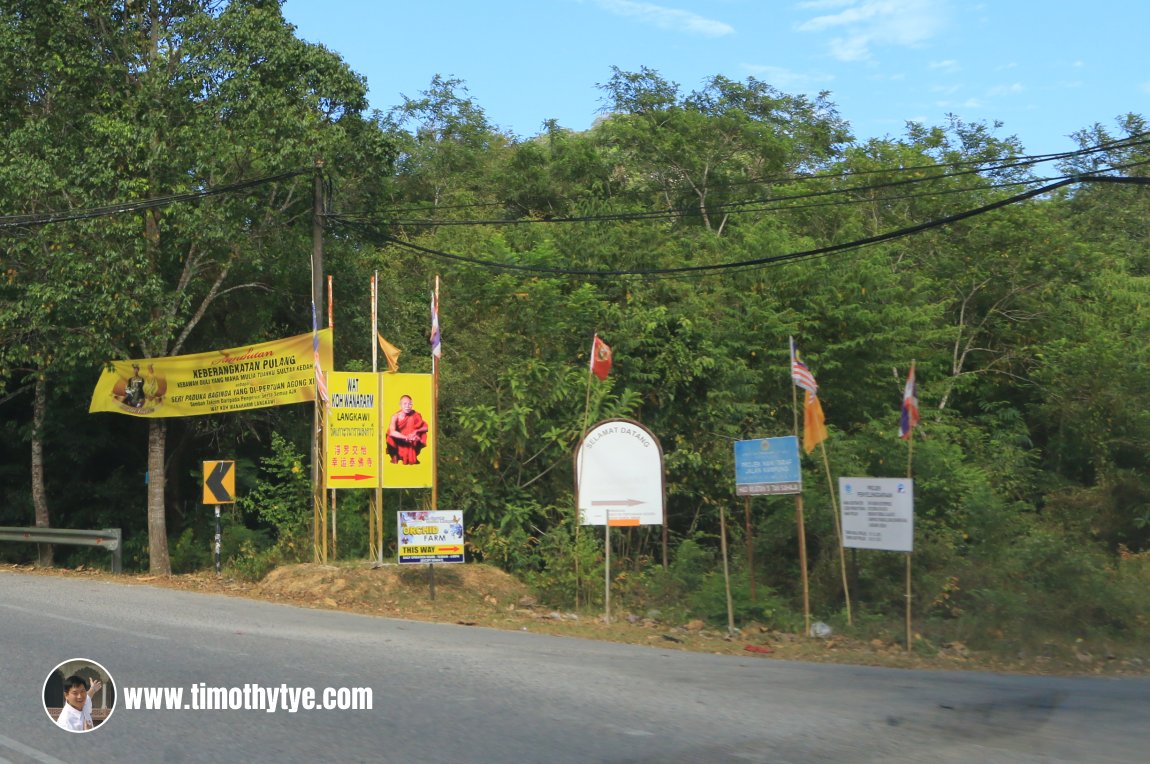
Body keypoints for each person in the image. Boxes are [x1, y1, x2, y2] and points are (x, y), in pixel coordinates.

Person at [386, 395, 428, 465]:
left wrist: (416, 431)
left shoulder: (415, 414)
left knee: (422, 433)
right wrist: (406, 437)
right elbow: (392, 432)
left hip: (411, 438)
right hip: (399, 439)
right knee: (389, 436)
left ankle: (412, 455)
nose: (407, 406)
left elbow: (426, 427)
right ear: (400, 405)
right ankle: (394, 456)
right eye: (405, 404)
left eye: (410, 404)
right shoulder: (395, 416)